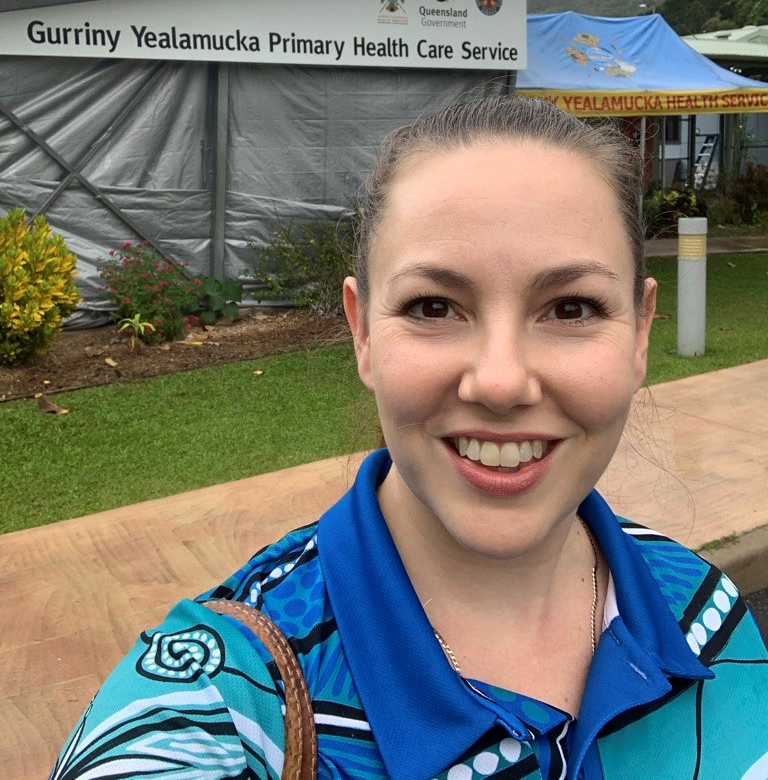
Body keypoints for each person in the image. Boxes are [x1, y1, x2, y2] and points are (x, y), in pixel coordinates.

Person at [50, 94, 767, 780]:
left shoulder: (705, 611)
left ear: (641, 332)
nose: (500, 381)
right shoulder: (218, 706)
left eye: (571, 307)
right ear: (362, 330)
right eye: (434, 306)